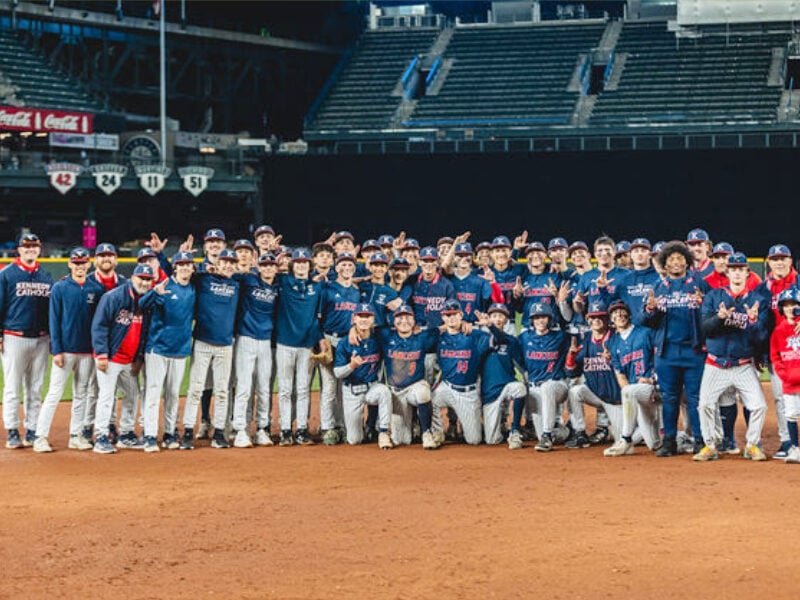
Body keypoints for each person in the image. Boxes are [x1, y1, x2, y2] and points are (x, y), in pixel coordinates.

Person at [693, 252, 769, 462]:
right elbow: (706, 329)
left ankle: (752, 444)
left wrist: (753, 322)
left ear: (747, 272)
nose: (736, 273)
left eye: (740, 269)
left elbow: (761, 336)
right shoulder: (714, 297)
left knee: (759, 406)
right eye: (733, 269)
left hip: (743, 364)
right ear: (727, 272)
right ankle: (710, 446)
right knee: (705, 405)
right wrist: (719, 317)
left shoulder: (757, 300)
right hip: (716, 363)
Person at [33, 247, 102, 452]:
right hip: (66, 350)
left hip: (87, 351)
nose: (80, 266)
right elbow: (53, 320)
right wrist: (57, 350)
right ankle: (40, 437)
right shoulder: (60, 287)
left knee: (81, 393)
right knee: (54, 393)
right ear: (70, 264)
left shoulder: (95, 288)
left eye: (83, 263)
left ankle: (76, 435)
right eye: (76, 263)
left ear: (89, 264)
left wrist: (95, 350)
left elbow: (98, 323)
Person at [642, 241, 707, 457]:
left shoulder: (699, 284)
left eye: (680, 258)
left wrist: (703, 304)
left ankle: (700, 439)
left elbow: (711, 316)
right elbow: (647, 321)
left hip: (694, 350)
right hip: (667, 352)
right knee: (669, 397)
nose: (676, 262)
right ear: (665, 264)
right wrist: (651, 309)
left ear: (687, 262)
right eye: (671, 259)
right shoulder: (658, 288)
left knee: (696, 398)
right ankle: (669, 440)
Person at [90, 264, 157, 454]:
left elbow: (144, 333)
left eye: (148, 279)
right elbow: (99, 326)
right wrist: (102, 354)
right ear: (132, 278)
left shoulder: (146, 302)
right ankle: (101, 436)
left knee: (132, 394)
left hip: (130, 360)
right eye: (141, 278)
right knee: (106, 396)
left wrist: (138, 358)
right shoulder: (113, 297)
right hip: (110, 358)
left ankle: (126, 433)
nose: (144, 282)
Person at [179, 249, 240, 450]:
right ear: (217, 263)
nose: (228, 266)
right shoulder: (203, 280)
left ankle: (220, 432)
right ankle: (188, 431)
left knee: (222, 390)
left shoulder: (236, 284)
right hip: (203, 342)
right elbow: (183, 272)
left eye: (232, 262)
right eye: (225, 262)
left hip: (225, 344)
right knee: (196, 388)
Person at [1, 232, 53, 449]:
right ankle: (12, 430)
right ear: (19, 250)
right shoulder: (7, 275)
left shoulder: (45, 276)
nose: (30, 249)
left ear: (39, 249)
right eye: (27, 246)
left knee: (35, 387)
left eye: (34, 246)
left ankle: (32, 429)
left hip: (41, 339)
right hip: (14, 337)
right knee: (13, 386)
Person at [141, 251, 196, 452]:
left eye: (188, 264)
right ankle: (149, 435)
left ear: (192, 268)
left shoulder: (192, 288)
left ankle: (169, 433)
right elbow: (142, 304)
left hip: (180, 349)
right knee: (154, 393)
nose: (184, 268)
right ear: (175, 267)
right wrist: (155, 293)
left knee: (173, 394)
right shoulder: (164, 286)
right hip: (158, 348)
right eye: (181, 264)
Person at [274, 247, 327, 446]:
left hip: (306, 345)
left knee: (303, 389)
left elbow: (317, 317)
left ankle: (302, 430)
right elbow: (265, 272)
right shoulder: (284, 281)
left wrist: (318, 340)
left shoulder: (318, 287)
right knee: (286, 389)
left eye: (305, 262)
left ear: (309, 265)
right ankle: (286, 430)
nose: (302, 265)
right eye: (298, 262)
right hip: (285, 343)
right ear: (292, 265)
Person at [230, 252, 279, 448]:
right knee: (243, 386)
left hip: (266, 341)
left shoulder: (277, 285)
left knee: (264, 387)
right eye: (264, 265)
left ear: (276, 268)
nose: (268, 268)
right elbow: (228, 275)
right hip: (246, 338)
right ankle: (240, 429)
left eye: (271, 265)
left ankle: (261, 429)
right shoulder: (248, 279)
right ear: (258, 267)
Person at [430, 299, 494, 446]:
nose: (451, 318)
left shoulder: (475, 336)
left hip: (467, 393)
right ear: (443, 317)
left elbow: (501, 341)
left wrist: (490, 326)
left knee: (474, 440)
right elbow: (419, 338)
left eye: (454, 314)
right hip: (446, 388)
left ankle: (480, 426)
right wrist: (440, 328)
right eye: (447, 315)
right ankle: (438, 433)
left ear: (461, 315)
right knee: (427, 399)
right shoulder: (439, 338)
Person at [377, 304, 440, 449]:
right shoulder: (385, 336)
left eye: (408, 317)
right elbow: (367, 327)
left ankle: (427, 432)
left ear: (414, 321)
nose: (404, 320)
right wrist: (353, 331)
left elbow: (441, 329)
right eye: (399, 317)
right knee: (402, 440)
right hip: (395, 392)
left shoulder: (423, 338)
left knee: (424, 392)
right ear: (393, 322)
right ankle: (414, 424)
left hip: (414, 387)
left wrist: (463, 325)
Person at [604, 300, 661, 456]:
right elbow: (621, 376)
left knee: (629, 391)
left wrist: (654, 380)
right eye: (615, 314)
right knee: (655, 444)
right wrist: (630, 400)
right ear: (612, 319)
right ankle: (681, 438)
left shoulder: (645, 332)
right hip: (636, 392)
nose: (619, 315)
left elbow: (660, 357)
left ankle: (626, 439)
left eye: (622, 312)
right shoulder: (612, 343)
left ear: (629, 315)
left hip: (654, 386)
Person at [758, 243, 799, 458]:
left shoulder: (799, 282)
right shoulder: (763, 289)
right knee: (781, 398)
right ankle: (787, 441)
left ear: (790, 261)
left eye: (783, 258)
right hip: (778, 350)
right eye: (775, 259)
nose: (780, 262)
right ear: (769, 263)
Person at [334, 303, 393, 449]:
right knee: (354, 440)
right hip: (352, 391)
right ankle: (365, 428)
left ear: (373, 319)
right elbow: (337, 373)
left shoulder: (379, 338)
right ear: (354, 318)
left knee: (384, 392)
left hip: (372, 387)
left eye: (368, 316)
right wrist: (351, 366)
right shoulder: (345, 343)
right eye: (361, 316)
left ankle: (383, 432)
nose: (364, 320)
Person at [317, 252, 361, 445]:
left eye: (350, 265)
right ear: (336, 268)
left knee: (345, 387)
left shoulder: (356, 292)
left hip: (347, 342)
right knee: (329, 388)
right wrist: (321, 340)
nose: (346, 268)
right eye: (342, 265)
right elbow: (317, 318)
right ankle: (327, 427)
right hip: (329, 338)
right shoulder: (327, 289)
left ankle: (342, 426)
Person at [566, 301, 623, 448]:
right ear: (588, 320)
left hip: (617, 399)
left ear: (607, 319)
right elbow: (572, 373)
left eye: (601, 317)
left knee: (624, 437)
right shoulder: (584, 341)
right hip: (595, 394)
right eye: (593, 317)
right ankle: (579, 433)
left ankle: (616, 428)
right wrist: (571, 357)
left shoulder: (617, 339)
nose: (597, 320)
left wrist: (612, 359)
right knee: (575, 391)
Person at [518, 302, 571, 451]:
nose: (540, 321)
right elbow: (516, 356)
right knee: (539, 432)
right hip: (535, 388)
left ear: (549, 319)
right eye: (536, 318)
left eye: (543, 317)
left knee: (547, 387)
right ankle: (563, 431)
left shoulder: (561, 337)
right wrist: (525, 372)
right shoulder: (524, 338)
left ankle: (547, 436)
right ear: (532, 320)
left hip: (557, 385)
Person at [478, 303, 527, 448]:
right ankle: (500, 424)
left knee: (520, 388)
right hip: (490, 392)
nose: (497, 319)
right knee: (492, 440)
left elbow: (521, 364)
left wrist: (491, 327)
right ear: (488, 318)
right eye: (494, 316)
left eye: (501, 316)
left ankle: (515, 431)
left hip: (507, 386)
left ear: (506, 320)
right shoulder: (481, 338)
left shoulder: (511, 340)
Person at [770, 288, 800, 463]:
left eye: (794, 304)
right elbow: (775, 356)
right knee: (790, 414)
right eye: (786, 305)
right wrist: (785, 375)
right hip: (789, 383)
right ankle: (795, 449)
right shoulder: (779, 331)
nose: (790, 308)